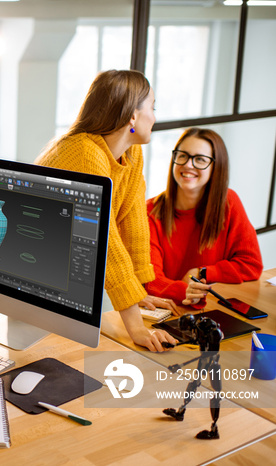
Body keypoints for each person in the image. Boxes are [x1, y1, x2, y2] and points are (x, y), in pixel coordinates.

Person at [34, 69, 177, 352]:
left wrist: (140, 292)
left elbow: (134, 223)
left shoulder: (131, 152)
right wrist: (135, 327)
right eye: (153, 107)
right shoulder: (84, 153)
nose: (155, 117)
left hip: (71, 270)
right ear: (132, 116)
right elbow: (106, 241)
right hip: (40, 266)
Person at [145, 127, 263, 307]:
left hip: (209, 309)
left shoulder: (228, 202)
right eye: (182, 155)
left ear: (216, 166)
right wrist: (185, 290)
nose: (188, 165)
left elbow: (251, 264)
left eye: (200, 159)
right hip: (166, 310)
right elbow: (150, 279)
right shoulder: (150, 211)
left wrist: (202, 272)